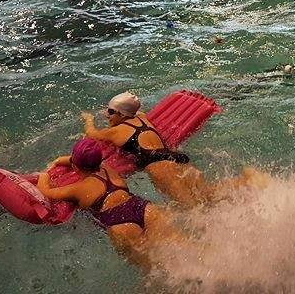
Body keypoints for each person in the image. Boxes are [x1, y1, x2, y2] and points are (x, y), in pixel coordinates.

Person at [82, 92, 266, 206]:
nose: (107, 116)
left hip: (160, 168)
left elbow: (92, 134)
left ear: (122, 114)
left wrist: (88, 119)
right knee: (206, 194)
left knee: (191, 207)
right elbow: (135, 111)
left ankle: (247, 186)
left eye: (110, 112)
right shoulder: (142, 118)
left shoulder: (116, 132)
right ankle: (247, 181)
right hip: (174, 157)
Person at [37, 138, 181, 268]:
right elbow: (80, 160)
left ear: (75, 166)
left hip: (121, 225)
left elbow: (46, 192)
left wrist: (43, 175)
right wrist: (60, 160)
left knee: (153, 270)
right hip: (143, 208)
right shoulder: (106, 168)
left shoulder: (79, 189)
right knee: (182, 249)